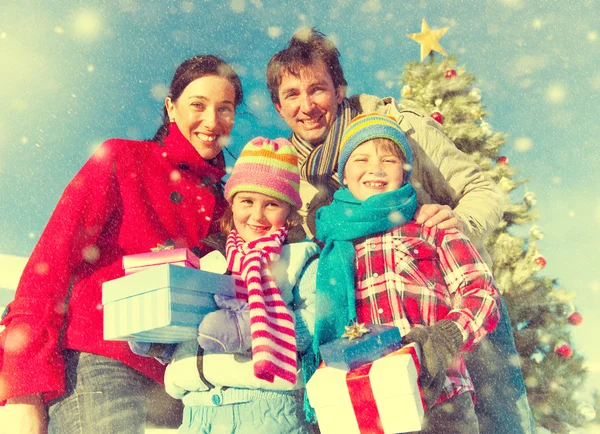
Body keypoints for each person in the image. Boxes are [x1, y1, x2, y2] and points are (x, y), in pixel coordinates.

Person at [267, 28, 535, 433]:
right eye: (292, 95)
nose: (307, 106)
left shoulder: (400, 128)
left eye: (317, 89)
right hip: (370, 337)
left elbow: (482, 189)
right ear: (278, 106)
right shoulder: (291, 177)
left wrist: (456, 225)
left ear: (339, 90)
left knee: (501, 420)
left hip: (451, 299)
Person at [0, 55, 244, 434]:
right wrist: (23, 385)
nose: (212, 121)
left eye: (224, 109)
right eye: (198, 104)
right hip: (101, 362)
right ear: (171, 108)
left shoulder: (229, 202)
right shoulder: (123, 159)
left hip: (181, 382)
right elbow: (51, 262)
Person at [312, 113, 501, 433]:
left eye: (389, 158)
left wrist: (446, 337)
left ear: (404, 172)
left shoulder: (431, 226)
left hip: (442, 399)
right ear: (343, 174)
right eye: (360, 158)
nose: (375, 167)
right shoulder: (334, 243)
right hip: (368, 403)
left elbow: (481, 292)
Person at [131, 137, 319, 434]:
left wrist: (247, 329)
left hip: (266, 412)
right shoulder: (208, 262)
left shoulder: (298, 258)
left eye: (272, 204)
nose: (257, 216)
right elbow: (197, 332)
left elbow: (314, 326)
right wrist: (159, 339)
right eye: (247, 201)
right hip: (196, 414)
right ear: (231, 206)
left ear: (289, 213)